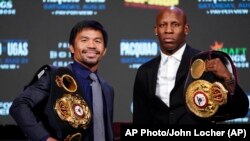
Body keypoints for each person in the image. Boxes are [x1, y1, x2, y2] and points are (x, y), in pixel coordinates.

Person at [133, 6, 249, 124]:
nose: (168, 30)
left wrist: (228, 78)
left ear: (186, 29)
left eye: (175, 24)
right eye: (163, 25)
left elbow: (240, 110)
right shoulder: (145, 71)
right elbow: (140, 120)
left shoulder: (206, 61)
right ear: (156, 30)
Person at [10, 20, 114, 141]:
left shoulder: (107, 88)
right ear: (71, 47)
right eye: (84, 40)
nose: (91, 45)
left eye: (97, 41)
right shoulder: (55, 76)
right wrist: (45, 138)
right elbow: (19, 106)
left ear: (104, 50)